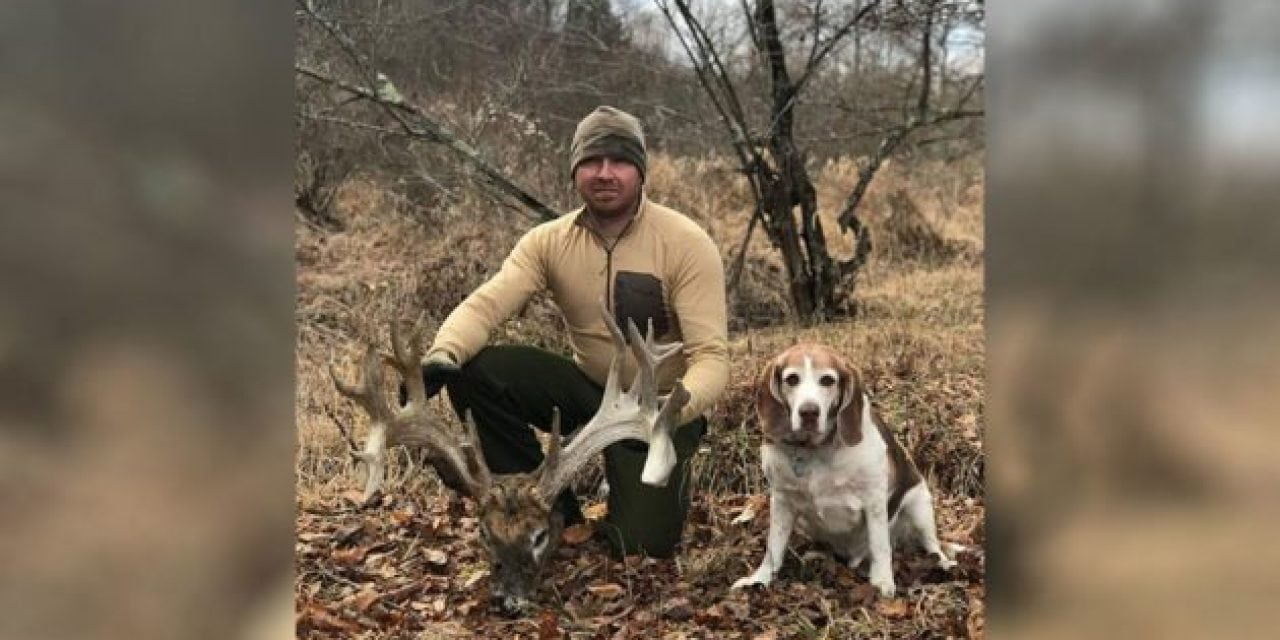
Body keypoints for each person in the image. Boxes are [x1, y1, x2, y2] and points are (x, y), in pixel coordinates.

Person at [418, 105, 728, 558]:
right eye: (591, 162)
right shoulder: (549, 241)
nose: (605, 173)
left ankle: (631, 502)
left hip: (655, 413)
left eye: (619, 161)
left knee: (640, 545)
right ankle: (549, 510)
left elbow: (712, 359)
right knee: (474, 370)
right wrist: (442, 355)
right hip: (589, 391)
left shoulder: (685, 242)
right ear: (574, 171)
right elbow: (488, 303)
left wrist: (673, 411)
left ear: (641, 171)